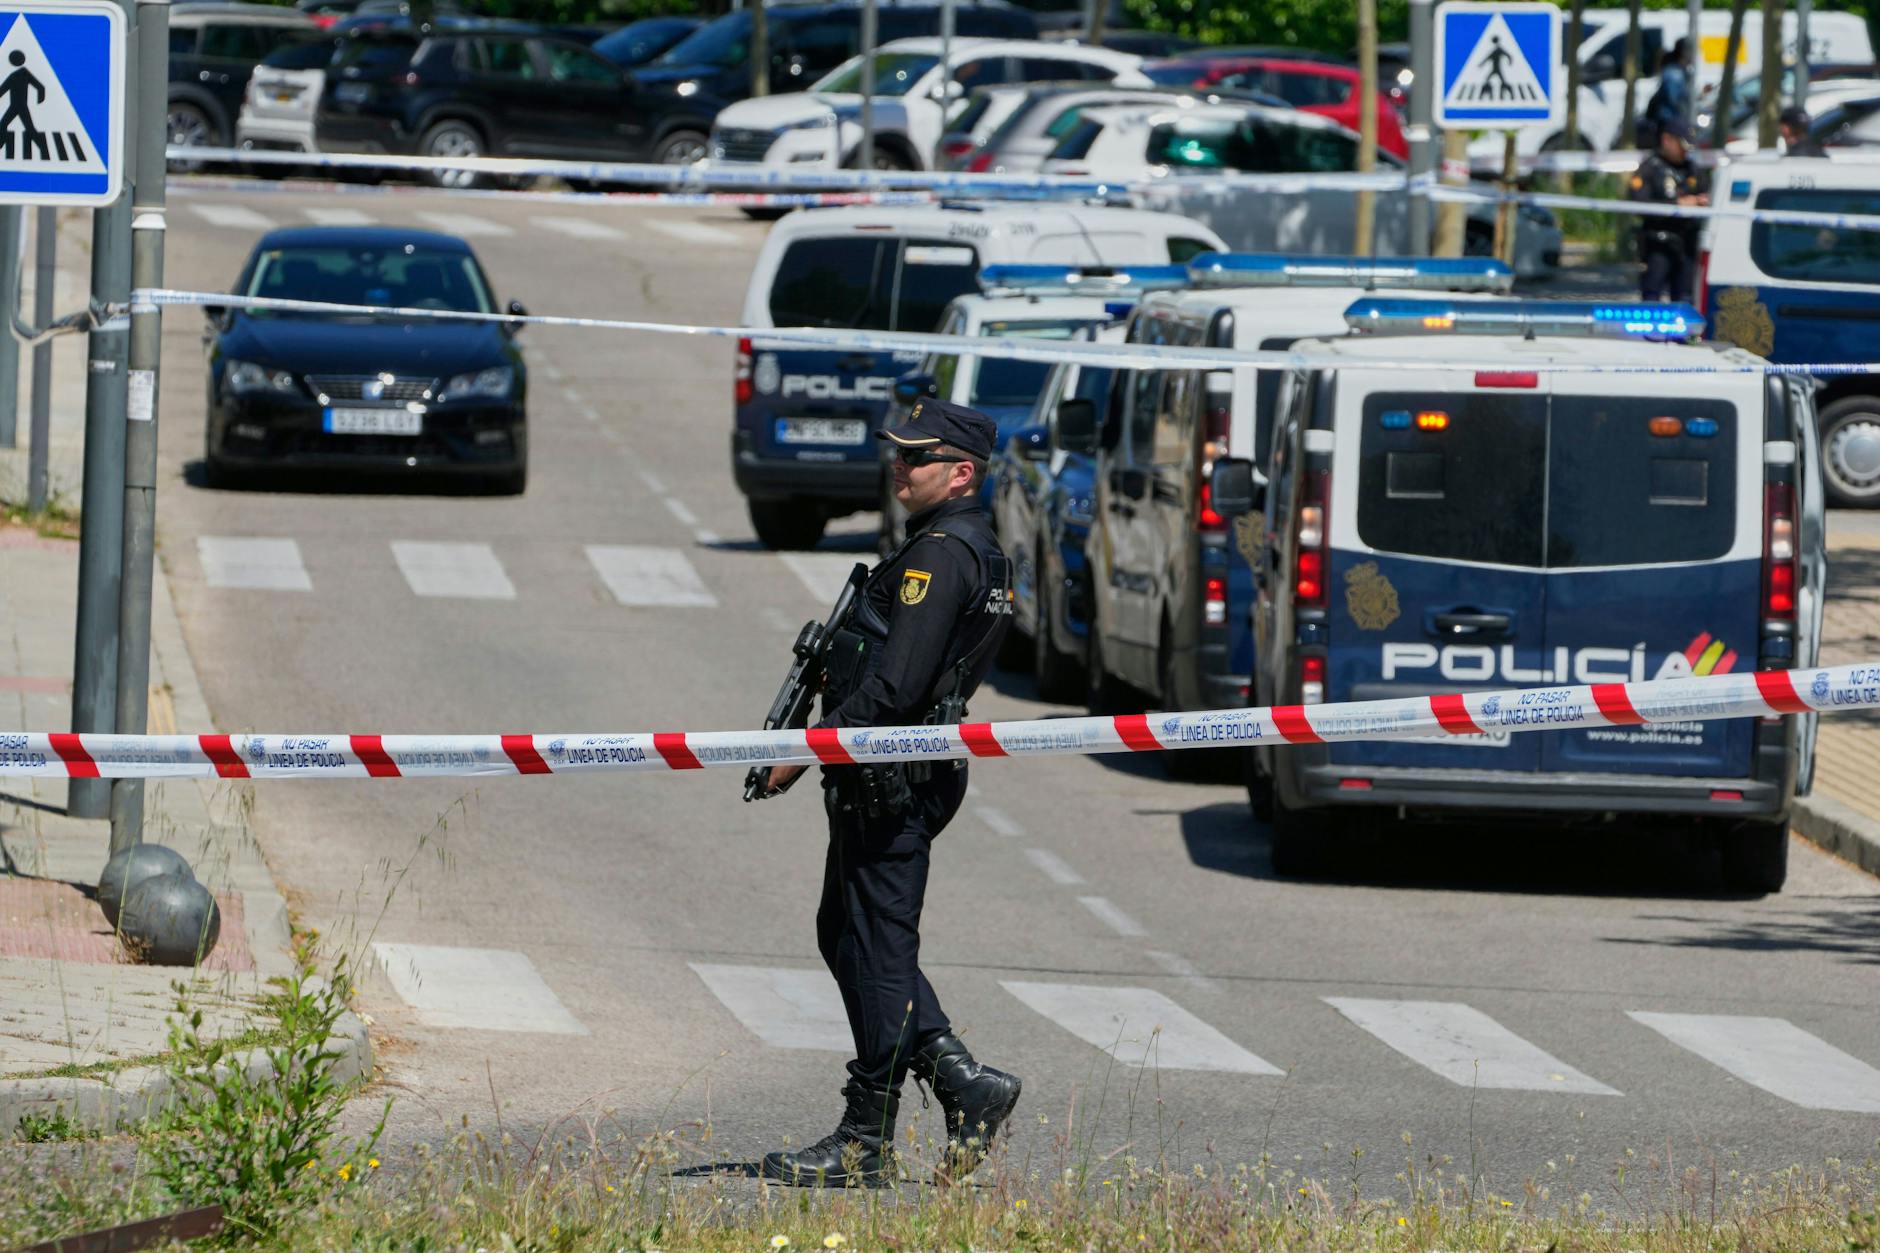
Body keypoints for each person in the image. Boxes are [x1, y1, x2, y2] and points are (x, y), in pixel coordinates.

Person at [758, 398, 1021, 1188]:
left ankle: (867, 1135)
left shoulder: (942, 555)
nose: (898, 467)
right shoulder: (962, 546)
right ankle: (960, 1081)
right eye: (897, 454)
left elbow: (898, 686)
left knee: (875, 946)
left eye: (916, 457)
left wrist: (801, 750)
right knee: (849, 930)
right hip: (896, 775)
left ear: (962, 471)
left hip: (892, 779)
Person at [1629, 115, 1711, 301]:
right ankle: (1650, 332)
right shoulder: (1650, 169)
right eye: (1681, 146)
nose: (1685, 152)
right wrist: (1677, 205)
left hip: (1686, 243)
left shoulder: (1693, 170)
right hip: (1658, 243)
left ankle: (1680, 332)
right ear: (1667, 140)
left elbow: (1705, 195)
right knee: (1651, 296)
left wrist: (1702, 201)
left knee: (1684, 298)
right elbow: (1639, 205)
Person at [1639, 37, 1692, 147]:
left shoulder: (1678, 71)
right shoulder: (1674, 74)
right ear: (1685, 52)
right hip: (1670, 121)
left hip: (1670, 121)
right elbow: (1674, 100)